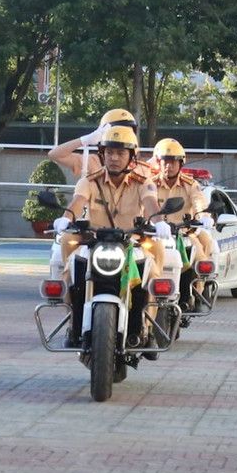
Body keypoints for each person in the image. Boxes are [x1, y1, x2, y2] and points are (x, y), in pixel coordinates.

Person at [57, 125, 161, 350]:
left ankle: (147, 328)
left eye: (121, 153)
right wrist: (65, 219)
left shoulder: (143, 182)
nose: (114, 158)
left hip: (130, 243)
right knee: (68, 276)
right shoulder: (89, 181)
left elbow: (151, 203)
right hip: (95, 242)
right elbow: (77, 202)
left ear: (131, 156)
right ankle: (72, 325)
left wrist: (159, 223)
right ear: (102, 154)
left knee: (153, 276)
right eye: (109, 152)